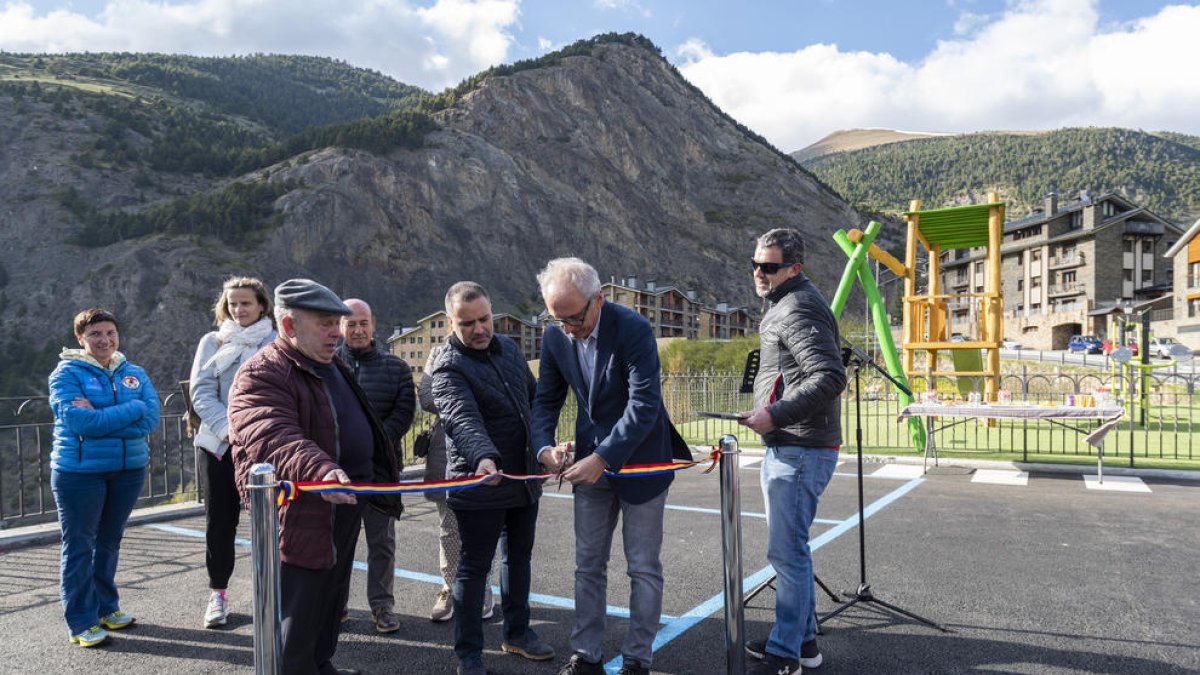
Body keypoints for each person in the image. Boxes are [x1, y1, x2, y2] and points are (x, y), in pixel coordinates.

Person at [228, 279, 403, 675]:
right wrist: (322, 470)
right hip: (303, 511)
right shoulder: (261, 373)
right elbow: (271, 435)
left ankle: (321, 663)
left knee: (331, 597)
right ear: (289, 327)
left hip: (343, 503)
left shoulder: (329, 364)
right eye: (325, 324)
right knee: (299, 611)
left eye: (336, 323)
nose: (336, 334)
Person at [531, 257, 675, 675]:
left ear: (599, 300)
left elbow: (644, 404)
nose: (568, 328)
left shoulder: (633, 329)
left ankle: (637, 660)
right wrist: (543, 448)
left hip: (640, 465)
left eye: (574, 318)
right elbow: (545, 400)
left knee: (643, 567)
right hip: (588, 464)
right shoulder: (556, 336)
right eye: (557, 319)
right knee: (587, 564)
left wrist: (603, 458)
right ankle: (586, 655)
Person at [737, 228, 847, 675]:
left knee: (786, 552)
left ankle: (785, 655)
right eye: (756, 264)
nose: (759, 274)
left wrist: (776, 414)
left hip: (800, 447)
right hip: (794, 443)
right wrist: (770, 409)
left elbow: (829, 376)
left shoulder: (797, 307)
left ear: (794, 269)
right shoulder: (787, 303)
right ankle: (801, 645)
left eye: (770, 266)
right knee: (791, 549)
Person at [431, 281, 554, 675]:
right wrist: (483, 458)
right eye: (467, 323)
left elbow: (535, 405)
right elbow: (461, 418)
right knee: (473, 568)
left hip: (522, 479)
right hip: (479, 482)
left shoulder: (513, 351)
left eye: (484, 319)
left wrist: (545, 449)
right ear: (450, 321)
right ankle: (469, 655)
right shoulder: (447, 366)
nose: (479, 329)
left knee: (519, 559)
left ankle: (517, 634)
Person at [49, 308, 160, 647]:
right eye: (95, 334)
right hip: (79, 473)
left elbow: (151, 418)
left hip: (128, 470)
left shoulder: (134, 372)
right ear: (81, 339)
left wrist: (105, 415)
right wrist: (133, 408)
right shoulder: (65, 374)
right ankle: (81, 621)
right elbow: (83, 424)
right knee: (80, 547)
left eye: (110, 332)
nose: (104, 340)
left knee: (109, 542)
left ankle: (106, 608)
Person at [188, 277, 276, 629]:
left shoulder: (277, 342)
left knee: (272, 523)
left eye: (246, 303)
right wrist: (232, 432)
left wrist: (255, 434)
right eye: (233, 304)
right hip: (219, 447)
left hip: (266, 446)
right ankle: (218, 594)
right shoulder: (212, 342)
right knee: (219, 524)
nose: (239, 309)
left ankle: (273, 593)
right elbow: (201, 392)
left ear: (261, 306)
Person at [334, 298, 415, 633]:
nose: (357, 329)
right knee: (338, 544)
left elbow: (404, 411)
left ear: (373, 324)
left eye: (363, 323)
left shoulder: (396, 367)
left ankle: (382, 607)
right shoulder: (328, 366)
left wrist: (375, 442)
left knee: (381, 542)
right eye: (350, 323)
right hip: (338, 471)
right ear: (340, 327)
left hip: (382, 471)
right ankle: (335, 607)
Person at [418, 347, 497, 623]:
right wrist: (462, 396)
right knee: (449, 529)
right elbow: (426, 397)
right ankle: (449, 587)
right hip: (445, 454)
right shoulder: (437, 352)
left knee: (484, 528)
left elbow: (497, 396)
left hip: (487, 448)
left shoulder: (493, 349)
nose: (474, 325)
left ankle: (484, 589)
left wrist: (455, 393)